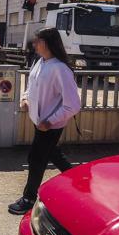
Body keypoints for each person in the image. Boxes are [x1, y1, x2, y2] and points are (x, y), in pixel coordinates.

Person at [8, 28, 81, 215]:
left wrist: (50, 122)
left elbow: (72, 105)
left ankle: (29, 198)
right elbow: (31, 86)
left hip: (50, 126)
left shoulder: (61, 69)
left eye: (37, 41)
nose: (34, 44)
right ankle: (79, 181)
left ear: (47, 43)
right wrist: (25, 99)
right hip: (39, 121)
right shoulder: (39, 62)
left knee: (36, 158)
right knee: (53, 154)